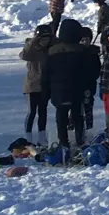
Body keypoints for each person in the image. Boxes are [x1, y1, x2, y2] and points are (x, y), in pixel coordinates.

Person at [41, 19, 100, 149]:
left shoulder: (52, 51)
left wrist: (45, 92)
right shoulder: (82, 51)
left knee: (61, 118)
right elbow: (89, 72)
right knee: (78, 116)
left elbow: (45, 74)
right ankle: (80, 142)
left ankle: (63, 144)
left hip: (58, 91)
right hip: (76, 90)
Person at [20, 23, 53, 138]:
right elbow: (24, 55)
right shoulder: (31, 50)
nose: (45, 42)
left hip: (44, 85)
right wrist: (34, 40)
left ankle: (42, 135)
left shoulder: (50, 50)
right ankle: (28, 135)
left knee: (43, 112)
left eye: (47, 39)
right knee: (32, 112)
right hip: (32, 86)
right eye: (42, 39)